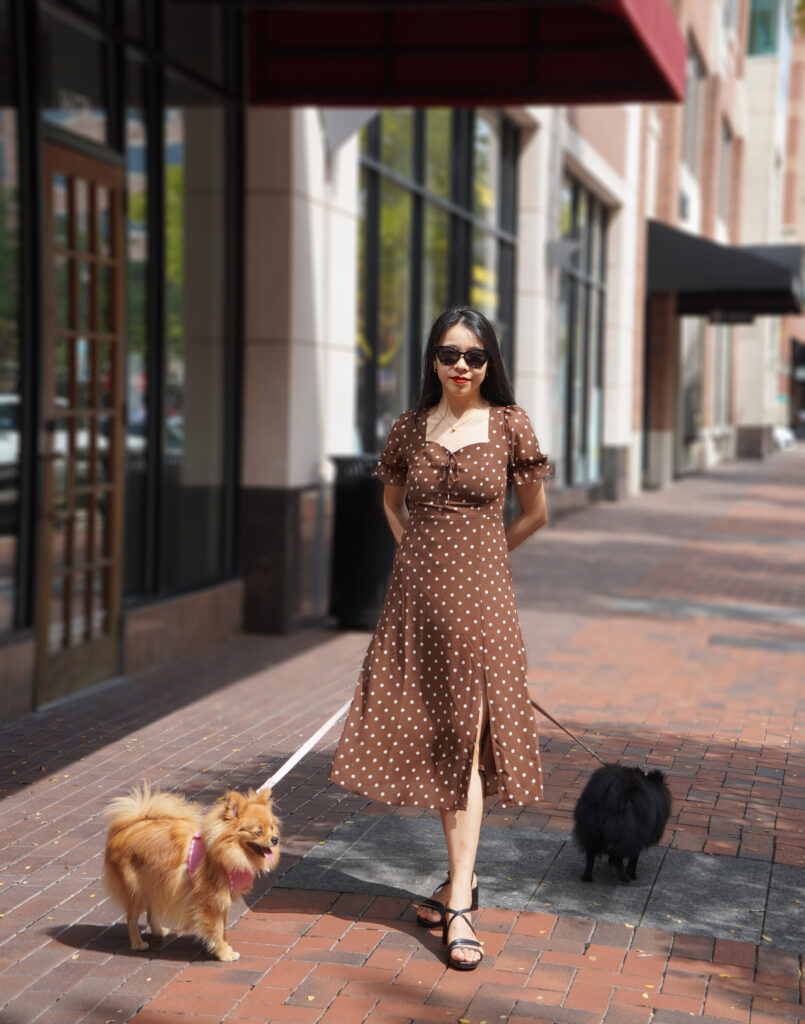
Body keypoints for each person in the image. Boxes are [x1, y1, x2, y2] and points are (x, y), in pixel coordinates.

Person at [329, 306, 549, 970]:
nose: (461, 365)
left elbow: (536, 513)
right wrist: (414, 558)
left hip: (482, 606)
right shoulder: (406, 429)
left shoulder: (510, 424)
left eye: (474, 356)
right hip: (414, 606)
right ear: (431, 360)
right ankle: (463, 882)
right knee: (435, 734)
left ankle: (457, 905)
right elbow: (391, 504)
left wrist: (487, 557)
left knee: (466, 737)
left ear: (490, 363)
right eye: (449, 353)